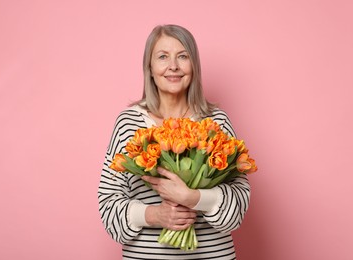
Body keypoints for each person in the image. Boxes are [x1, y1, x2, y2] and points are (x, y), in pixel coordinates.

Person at [98, 24, 250, 260]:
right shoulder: (128, 123)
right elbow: (108, 204)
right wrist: (155, 215)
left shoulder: (216, 122)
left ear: (194, 66)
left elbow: (239, 204)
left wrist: (193, 198)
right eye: (162, 57)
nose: (173, 66)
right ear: (149, 67)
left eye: (183, 56)